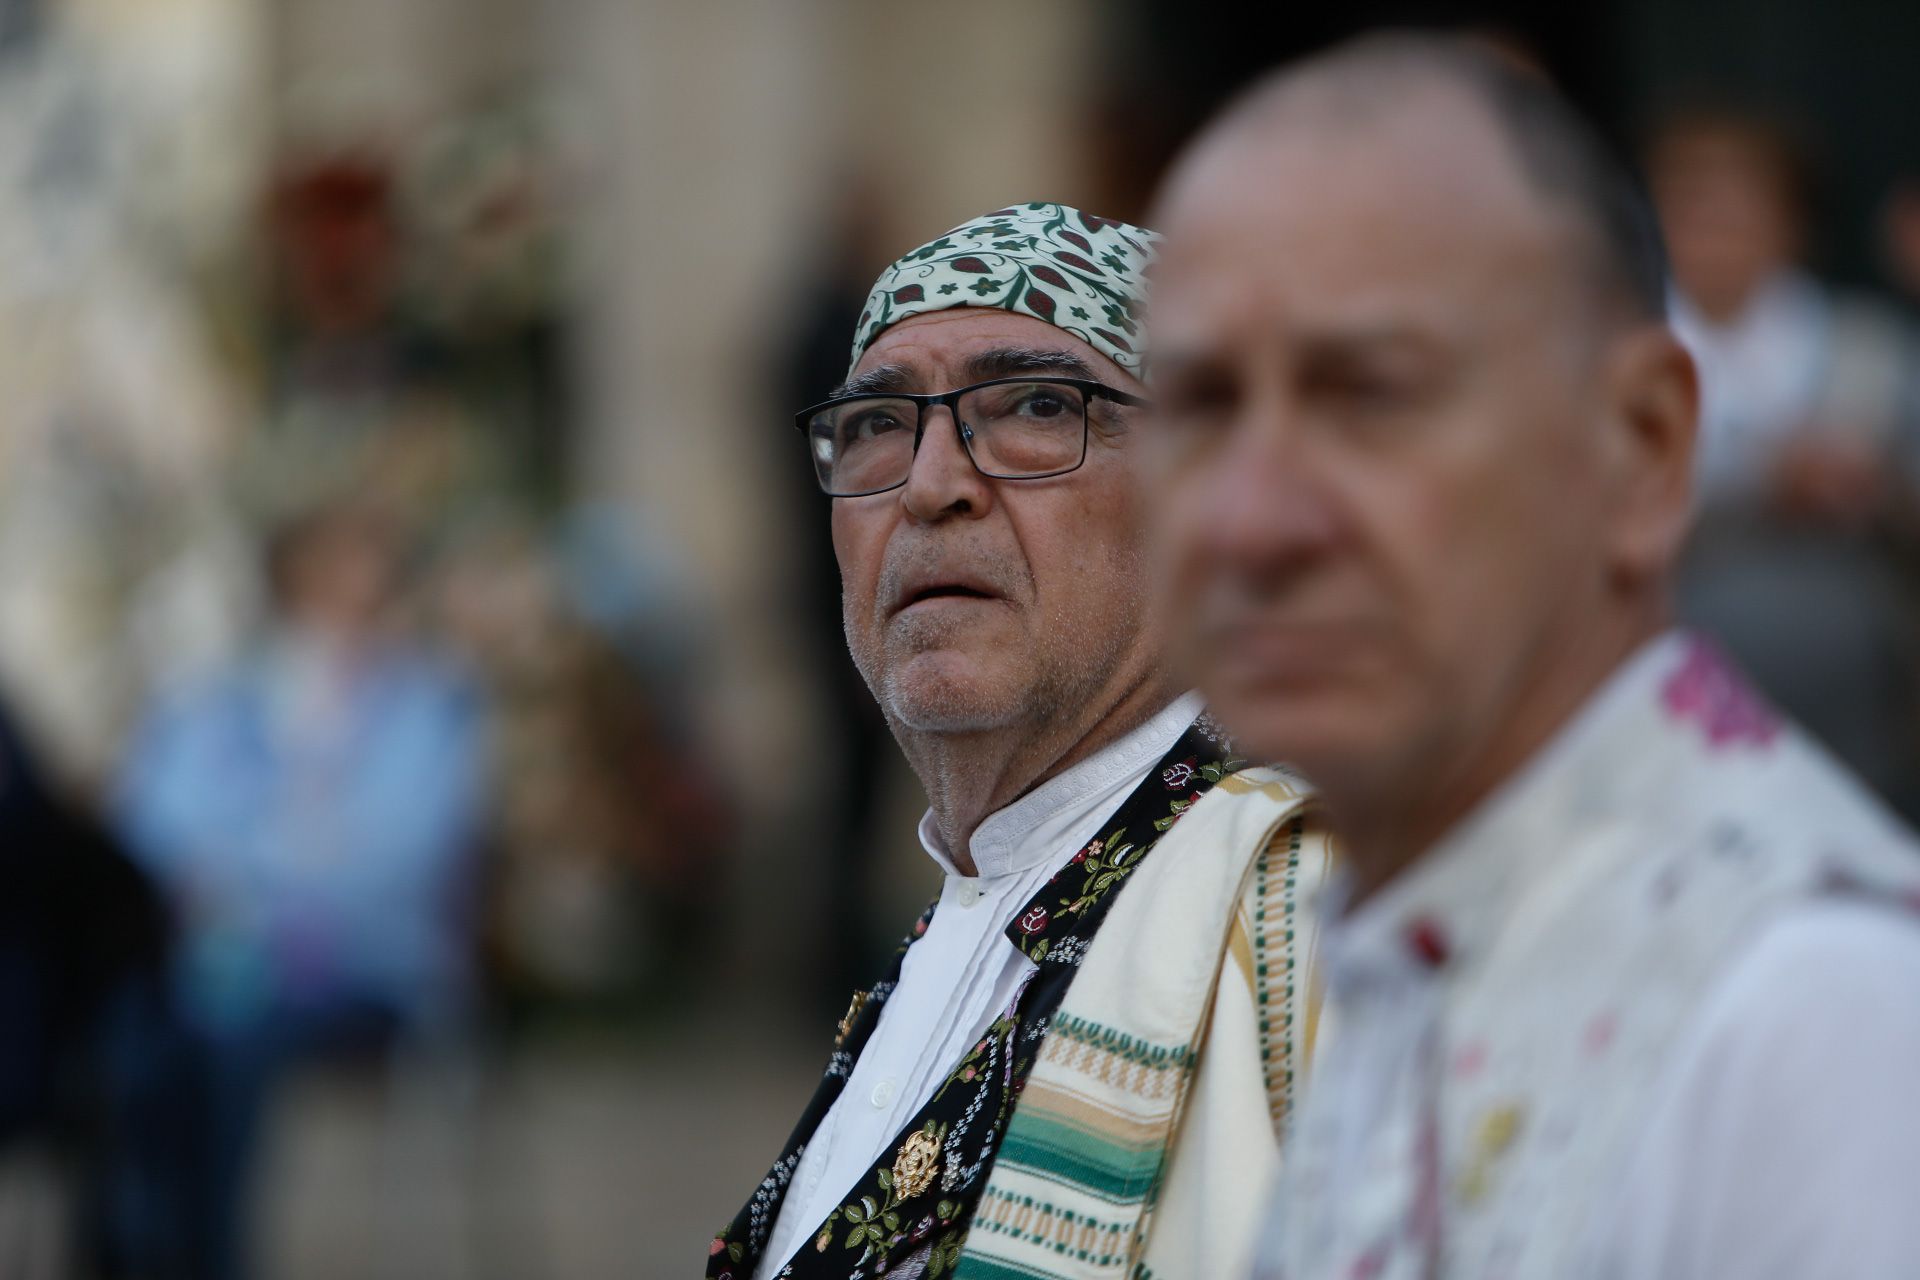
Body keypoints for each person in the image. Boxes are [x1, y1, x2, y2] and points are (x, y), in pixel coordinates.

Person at [1145, 33, 1920, 1278]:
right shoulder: (1402, 941)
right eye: (1199, 403)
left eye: (1372, 395)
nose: (1253, 517)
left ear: (1646, 444)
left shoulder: (1807, 1018)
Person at [707, 203, 1335, 1280]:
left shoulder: (1315, 923)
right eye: (877, 425)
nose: (930, 484)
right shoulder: (955, 925)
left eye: (1038, 406)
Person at [1648, 107, 1920, 819]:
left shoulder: (1869, 349)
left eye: (1736, 210)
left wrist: (1876, 487)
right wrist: (1754, 483)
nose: (1712, 233)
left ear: (1790, 224)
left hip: (1855, 714)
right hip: (1673, 706)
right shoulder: (1620, 360)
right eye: (1690, 209)